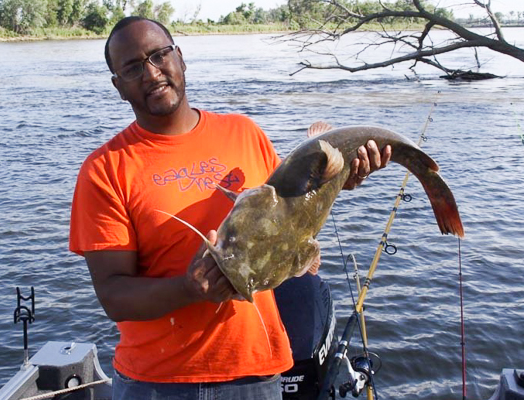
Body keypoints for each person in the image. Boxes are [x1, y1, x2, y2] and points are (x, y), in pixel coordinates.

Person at [69, 16, 391, 400]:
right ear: (118, 86)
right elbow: (113, 296)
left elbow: (291, 217)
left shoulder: (245, 133)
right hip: (155, 384)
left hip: (256, 374)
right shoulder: (104, 169)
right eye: (133, 67)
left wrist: (339, 179)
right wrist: (189, 289)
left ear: (181, 58)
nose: (152, 73)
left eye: (159, 55)